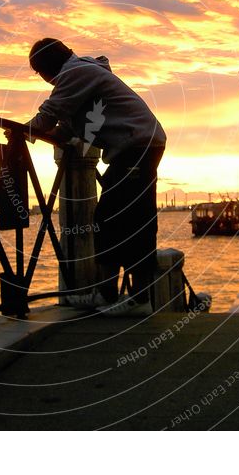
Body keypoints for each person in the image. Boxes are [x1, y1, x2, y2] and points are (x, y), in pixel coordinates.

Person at [23, 37, 166, 317]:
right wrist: (42, 134)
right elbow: (66, 128)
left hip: (136, 146)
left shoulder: (76, 73)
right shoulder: (84, 73)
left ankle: (138, 298)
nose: (46, 81)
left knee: (124, 218)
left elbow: (49, 115)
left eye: (40, 74)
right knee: (114, 218)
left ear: (47, 68)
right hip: (136, 146)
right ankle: (108, 293)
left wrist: (21, 131)